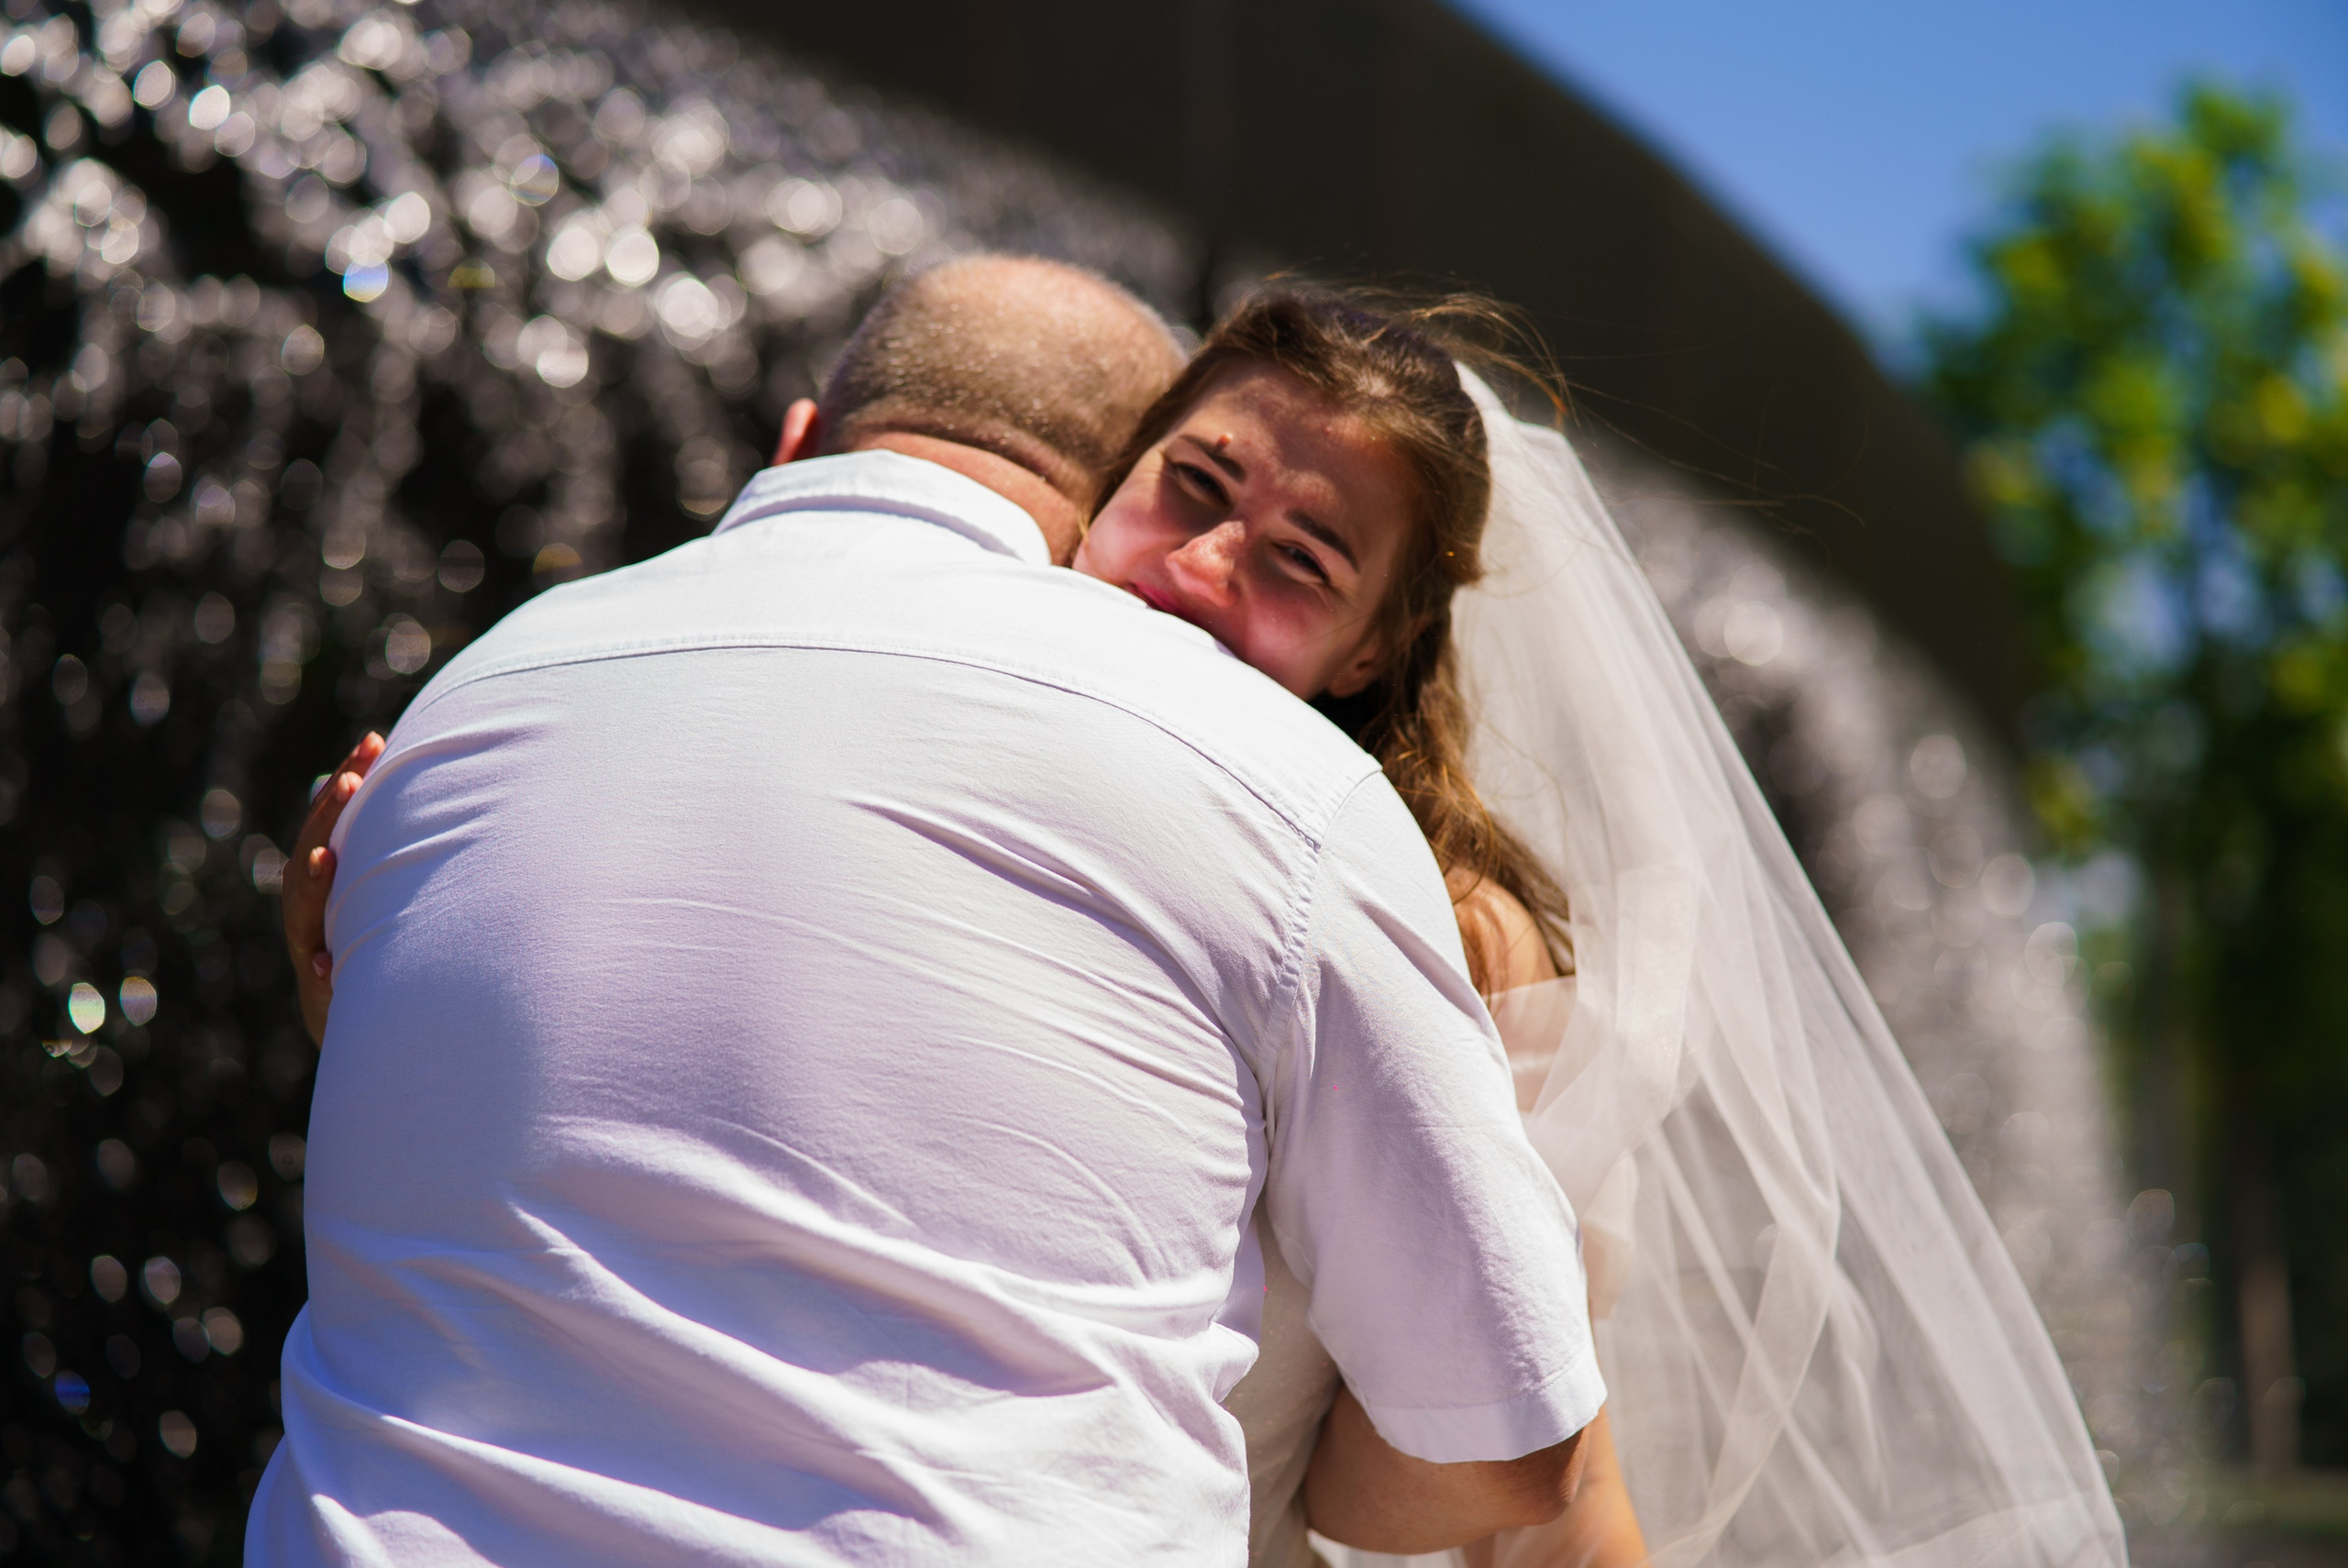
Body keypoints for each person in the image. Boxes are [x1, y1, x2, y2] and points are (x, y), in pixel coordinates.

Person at [248, 256, 1606, 1567]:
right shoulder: (1289, 804)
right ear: (1088, 501)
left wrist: (351, 995)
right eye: (1193, 485)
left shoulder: (467, 699)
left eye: (1305, 559)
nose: (1202, 569)